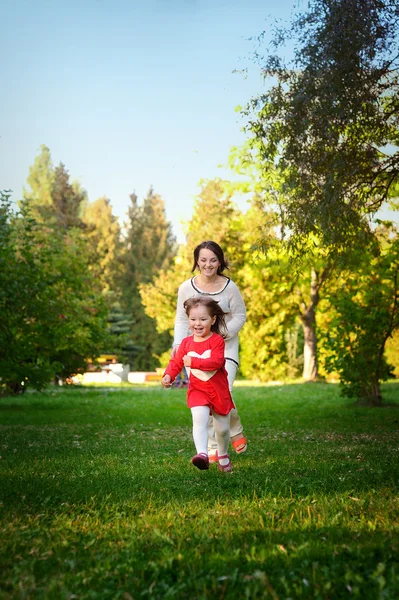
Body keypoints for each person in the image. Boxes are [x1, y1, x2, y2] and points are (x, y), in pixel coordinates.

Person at [172, 240, 247, 461]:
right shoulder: (186, 287)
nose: (208, 264)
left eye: (213, 259)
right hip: (195, 352)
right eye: (203, 259)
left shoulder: (230, 287)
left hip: (225, 348)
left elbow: (240, 316)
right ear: (197, 261)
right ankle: (214, 447)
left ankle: (235, 430)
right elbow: (180, 319)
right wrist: (178, 345)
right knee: (203, 400)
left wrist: (220, 336)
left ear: (220, 261)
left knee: (225, 394)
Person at [162, 296, 234, 472]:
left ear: (213, 319)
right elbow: (176, 362)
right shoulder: (186, 343)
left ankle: (222, 455)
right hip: (198, 390)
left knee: (223, 429)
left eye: (203, 319)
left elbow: (216, 362)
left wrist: (193, 361)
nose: (197, 323)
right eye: (193, 319)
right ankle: (202, 454)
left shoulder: (216, 341)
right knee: (199, 420)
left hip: (218, 391)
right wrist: (168, 376)